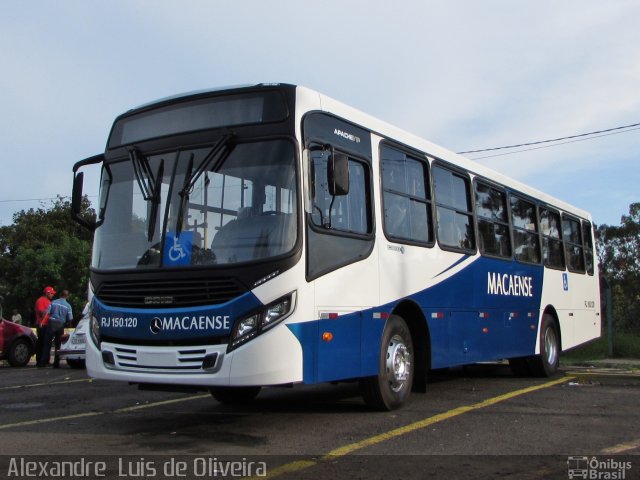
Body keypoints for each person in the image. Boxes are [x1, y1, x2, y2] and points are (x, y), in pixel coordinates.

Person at [38, 290, 73, 368]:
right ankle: (56, 363)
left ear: (60, 295)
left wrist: (41, 322)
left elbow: (47, 312)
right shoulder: (68, 306)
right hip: (60, 324)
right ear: (67, 296)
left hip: (51, 323)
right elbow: (70, 318)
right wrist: (68, 323)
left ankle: (43, 362)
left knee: (47, 343)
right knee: (58, 344)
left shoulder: (53, 302)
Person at [34, 286, 55, 365]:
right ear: (48, 293)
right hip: (42, 325)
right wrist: (50, 312)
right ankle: (40, 360)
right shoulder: (41, 300)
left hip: (48, 324)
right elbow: (42, 312)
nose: (53, 295)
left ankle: (46, 360)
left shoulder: (48, 301)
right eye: (52, 293)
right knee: (42, 342)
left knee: (47, 343)